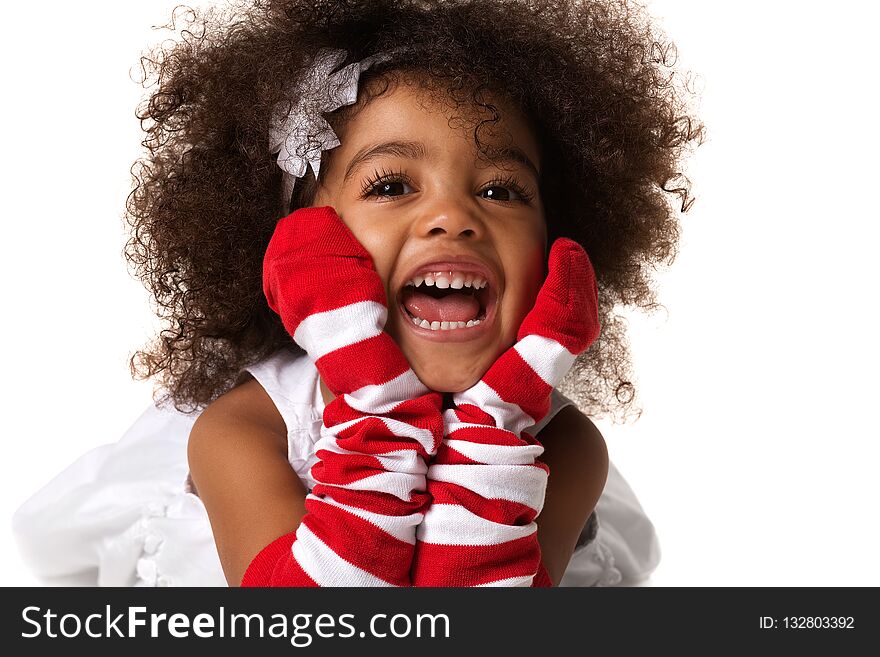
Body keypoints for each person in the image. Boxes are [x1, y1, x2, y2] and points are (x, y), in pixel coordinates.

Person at [13, 0, 701, 587]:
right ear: (302, 244)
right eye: (392, 185)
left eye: (500, 189)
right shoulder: (243, 431)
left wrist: (500, 414)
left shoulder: (567, 445)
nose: (454, 216)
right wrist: (376, 395)